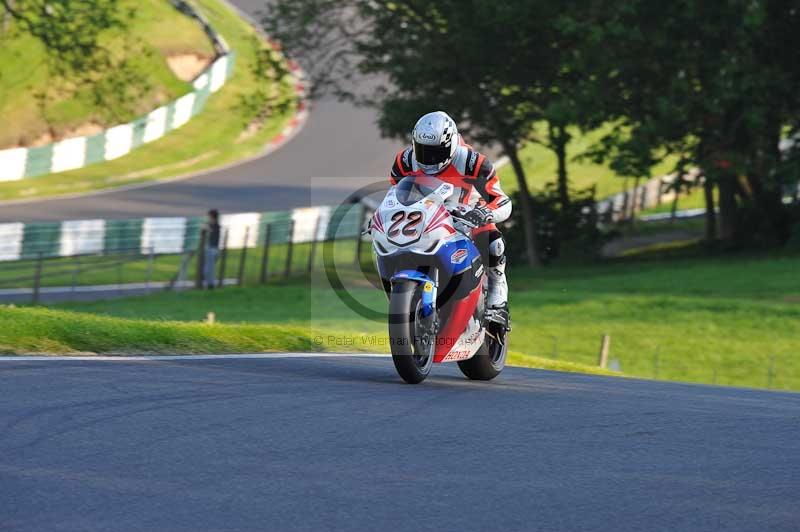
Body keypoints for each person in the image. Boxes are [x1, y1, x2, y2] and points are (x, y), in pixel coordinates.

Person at [388, 111, 512, 334]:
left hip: (466, 215)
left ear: (451, 143)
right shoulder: (405, 161)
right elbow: (393, 195)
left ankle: (497, 298)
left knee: (494, 242)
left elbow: (501, 200)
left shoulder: (473, 162)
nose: (429, 158)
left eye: (436, 152)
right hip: (424, 216)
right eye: (423, 151)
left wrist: (484, 213)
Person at [204, 209, 221, 289]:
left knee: (209, 269)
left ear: (212, 217)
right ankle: (209, 284)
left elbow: (209, 230)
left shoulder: (216, 226)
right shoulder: (212, 225)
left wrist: (206, 227)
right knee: (207, 269)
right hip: (211, 249)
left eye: (209, 216)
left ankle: (211, 285)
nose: (208, 218)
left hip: (212, 249)